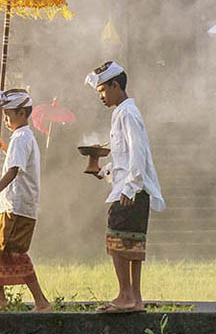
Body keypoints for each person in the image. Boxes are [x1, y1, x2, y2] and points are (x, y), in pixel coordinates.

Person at [85, 61, 165, 312]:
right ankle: (133, 298)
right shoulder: (120, 113)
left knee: (119, 240)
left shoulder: (128, 113)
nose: (101, 97)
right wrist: (103, 171)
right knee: (129, 242)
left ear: (115, 85)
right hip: (128, 186)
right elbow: (123, 158)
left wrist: (130, 188)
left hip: (132, 190)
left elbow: (138, 152)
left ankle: (126, 296)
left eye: (103, 91)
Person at [0, 89, 50, 312]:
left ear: (23, 113)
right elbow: (18, 163)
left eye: (9, 114)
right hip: (13, 207)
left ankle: (41, 301)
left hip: (16, 207)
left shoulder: (21, 137)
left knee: (14, 253)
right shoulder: (22, 138)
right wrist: (4, 147)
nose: (6, 119)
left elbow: (14, 171)